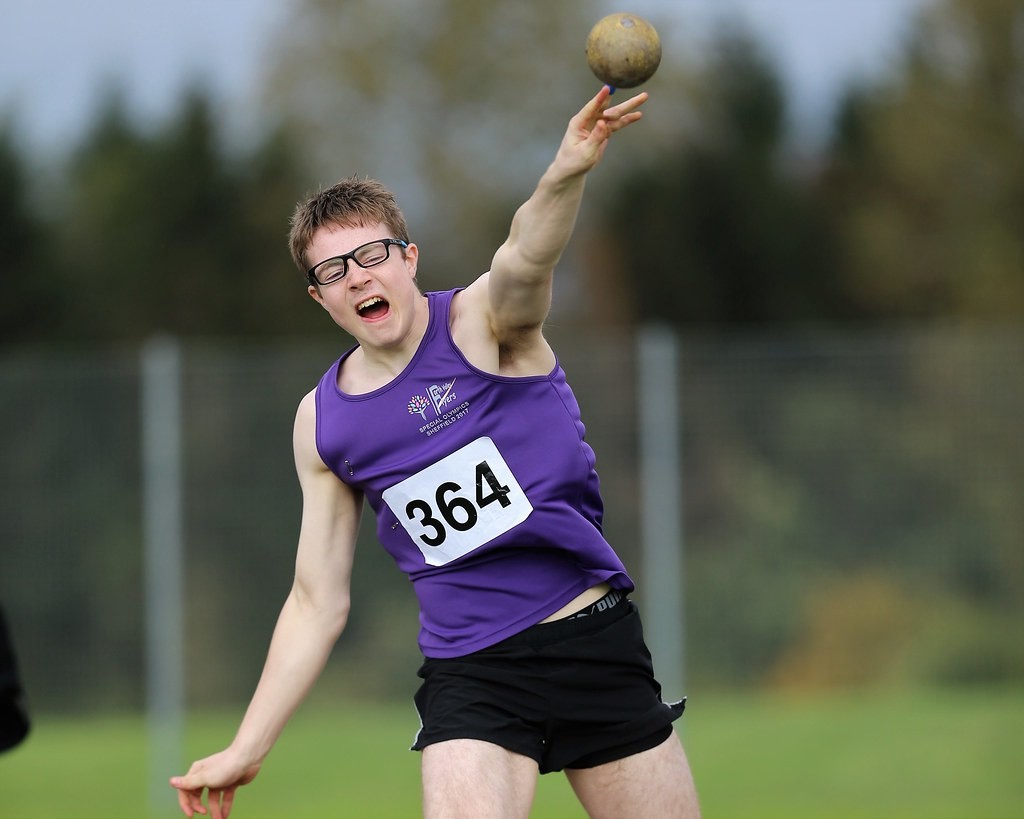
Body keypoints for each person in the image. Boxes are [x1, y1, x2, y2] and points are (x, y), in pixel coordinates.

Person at [171, 86, 700, 819]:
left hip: (591, 641)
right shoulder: (323, 423)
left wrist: (566, 171)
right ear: (319, 298)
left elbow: (526, 257)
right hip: (473, 672)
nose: (358, 276)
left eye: (371, 255)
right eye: (333, 271)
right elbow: (316, 599)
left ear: (408, 258)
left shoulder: (484, 324)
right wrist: (248, 745)